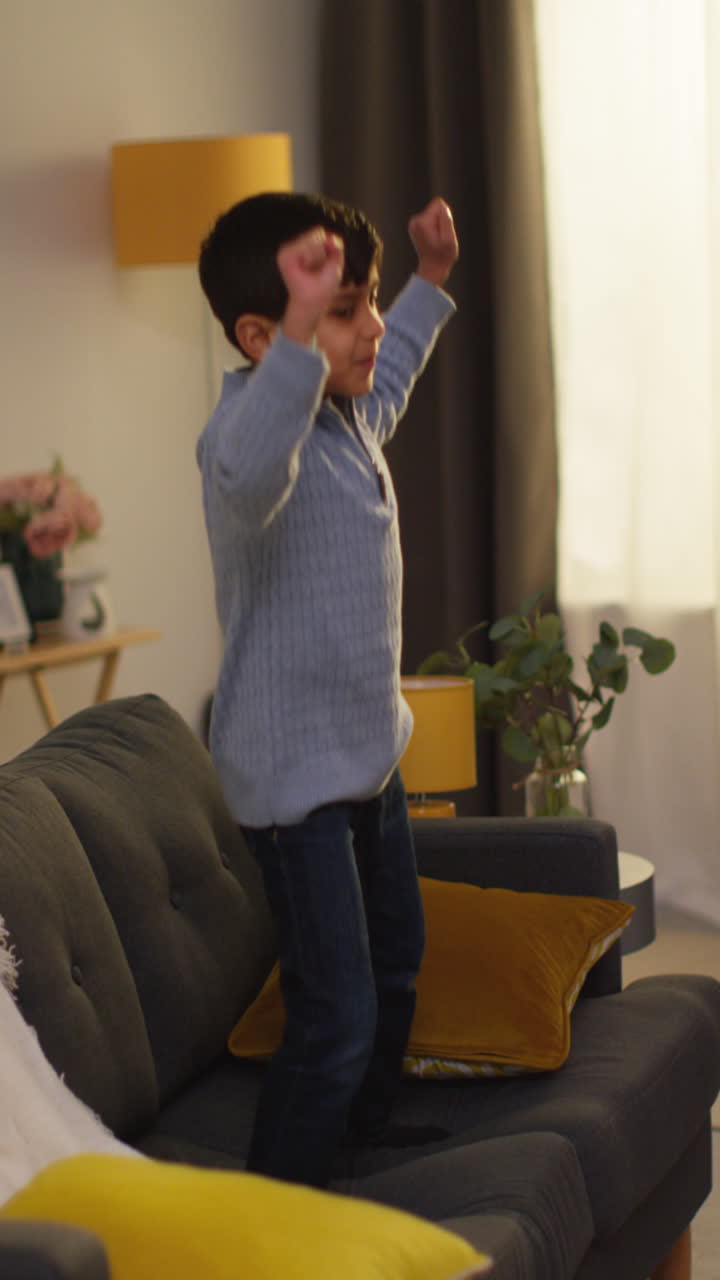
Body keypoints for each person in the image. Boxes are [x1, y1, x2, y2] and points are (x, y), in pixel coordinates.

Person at [196, 190, 458, 1189]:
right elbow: (256, 468)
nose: (372, 327)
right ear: (264, 336)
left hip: (364, 755)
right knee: (336, 1008)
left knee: (398, 959)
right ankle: (279, 1211)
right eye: (343, 309)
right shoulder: (245, 445)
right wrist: (307, 335)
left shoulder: (348, 417)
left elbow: (387, 376)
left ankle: (362, 1131)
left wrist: (429, 283)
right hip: (292, 782)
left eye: (368, 299)